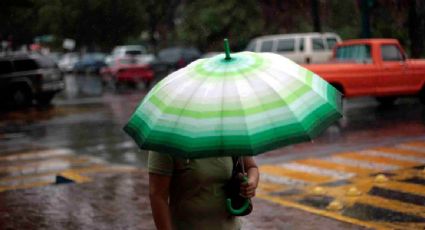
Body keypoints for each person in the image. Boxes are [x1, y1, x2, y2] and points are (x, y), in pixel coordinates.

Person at [148, 151, 259, 230]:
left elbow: (251, 167)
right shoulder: (167, 142)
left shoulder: (227, 133)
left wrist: (251, 182)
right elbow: (157, 195)